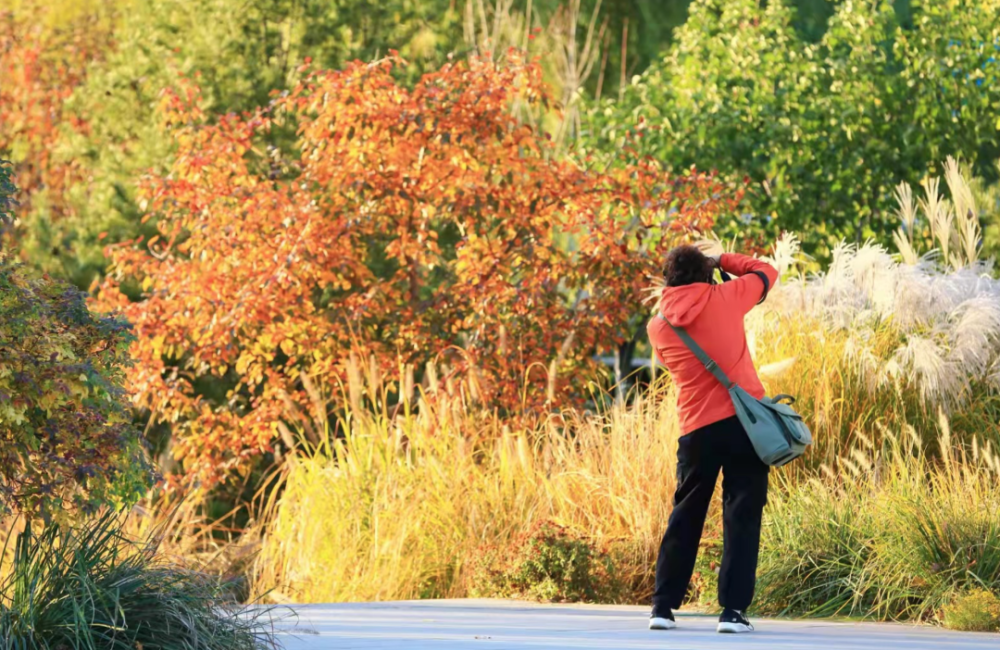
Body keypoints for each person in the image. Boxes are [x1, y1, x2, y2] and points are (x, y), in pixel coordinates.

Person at [645, 244, 779, 634]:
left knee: (685, 515)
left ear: (668, 279)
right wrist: (723, 261)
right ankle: (733, 614)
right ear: (706, 273)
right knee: (742, 516)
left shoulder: (658, 327)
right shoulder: (726, 296)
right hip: (745, 425)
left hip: (696, 429)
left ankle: (662, 608)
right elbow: (766, 271)